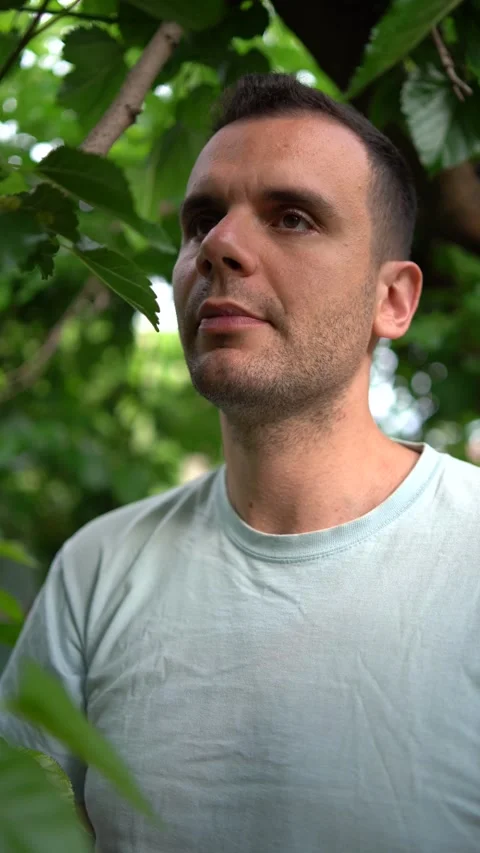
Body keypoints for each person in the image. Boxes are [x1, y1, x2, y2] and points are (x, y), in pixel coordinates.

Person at [1, 72, 479, 853]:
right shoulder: (97, 570)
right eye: (202, 220)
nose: (219, 245)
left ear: (392, 300)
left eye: (292, 218)